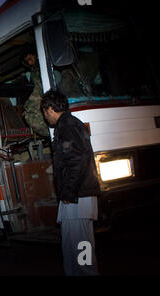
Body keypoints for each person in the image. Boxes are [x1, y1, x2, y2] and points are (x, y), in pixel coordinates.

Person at [40, 90, 101, 276]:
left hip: (77, 197)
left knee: (83, 250)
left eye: (44, 111)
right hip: (75, 197)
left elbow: (77, 161)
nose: (44, 116)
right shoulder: (66, 125)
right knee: (72, 248)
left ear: (50, 109)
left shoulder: (67, 126)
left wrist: (68, 192)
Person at [21, 47, 50, 137]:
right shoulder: (33, 71)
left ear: (35, 54)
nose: (30, 63)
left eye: (30, 59)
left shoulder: (48, 63)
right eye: (27, 61)